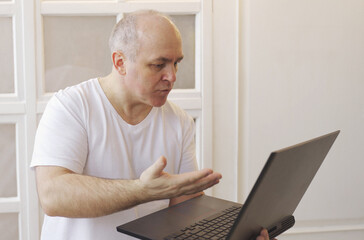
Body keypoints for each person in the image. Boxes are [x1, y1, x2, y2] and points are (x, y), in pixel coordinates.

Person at [31, 10, 273, 240]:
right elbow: (52, 195)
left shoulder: (179, 121)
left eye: (176, 63)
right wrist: (142, 190)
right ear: (120, 62)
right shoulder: (72, 106)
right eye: (159, 65)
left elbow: (186, 212)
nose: (172, 76)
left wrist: (235, 233)